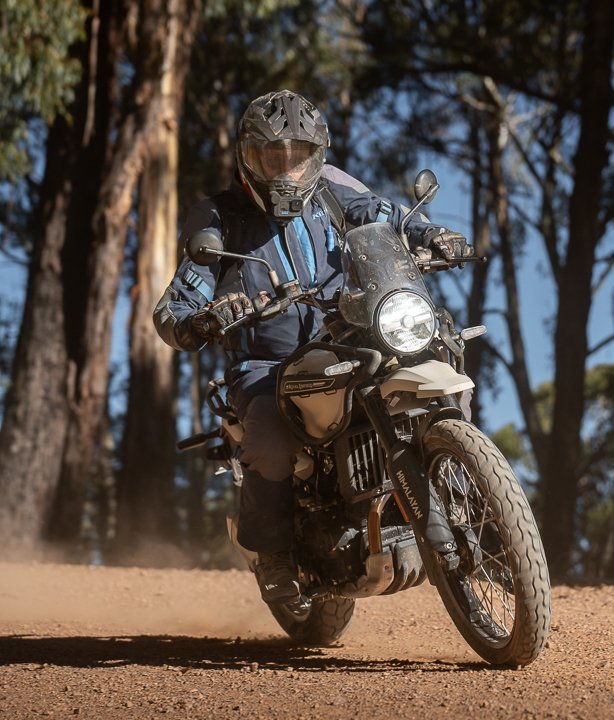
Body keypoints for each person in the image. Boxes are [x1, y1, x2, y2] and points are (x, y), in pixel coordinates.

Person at [154, 90, 471, 608]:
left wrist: (430, 233)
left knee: (440, 344)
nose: (285, 171)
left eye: (297, 157)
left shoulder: (332, 188)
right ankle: (275, 555)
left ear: (315, 157)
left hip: (348, 334)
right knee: (271, 437)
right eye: (270, 157)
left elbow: (384, 213)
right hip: (267, 364)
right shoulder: (218, 217)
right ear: (245, 157)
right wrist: (203, 317)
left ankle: (463, 486)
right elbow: (176, 304)